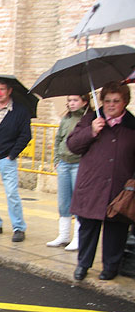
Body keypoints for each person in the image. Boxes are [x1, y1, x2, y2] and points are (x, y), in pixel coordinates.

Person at [67, 81, 135, 281]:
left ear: (125, 102)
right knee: (88, 227)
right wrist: (91, 131)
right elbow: (72, 145)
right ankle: (83, 264)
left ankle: (110, 267)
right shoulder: (91, 119)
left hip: (120, 188)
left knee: (116, 229)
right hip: (91, 185)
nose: (111, 105)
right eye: (107, 101)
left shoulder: (132, 126)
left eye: (116, 101)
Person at [0, 78, 31, 242]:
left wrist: (12, 154)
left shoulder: (20, 111)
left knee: (11, 193)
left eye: (2, 89)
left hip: (6, 158)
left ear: (9, 91)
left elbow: (25, 136)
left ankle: (18, 227)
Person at [46, 94, 90, 250]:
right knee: (64, 201)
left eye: (75, 100)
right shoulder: (66, 118)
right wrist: (57, 159)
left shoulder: (88, 119)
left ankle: (78, 238)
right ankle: (63, 235)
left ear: (84, 102)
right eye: (69, 100)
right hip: (64, 163)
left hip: (78, 164)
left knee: (78, 202)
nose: (71, 103)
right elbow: (58, 139)